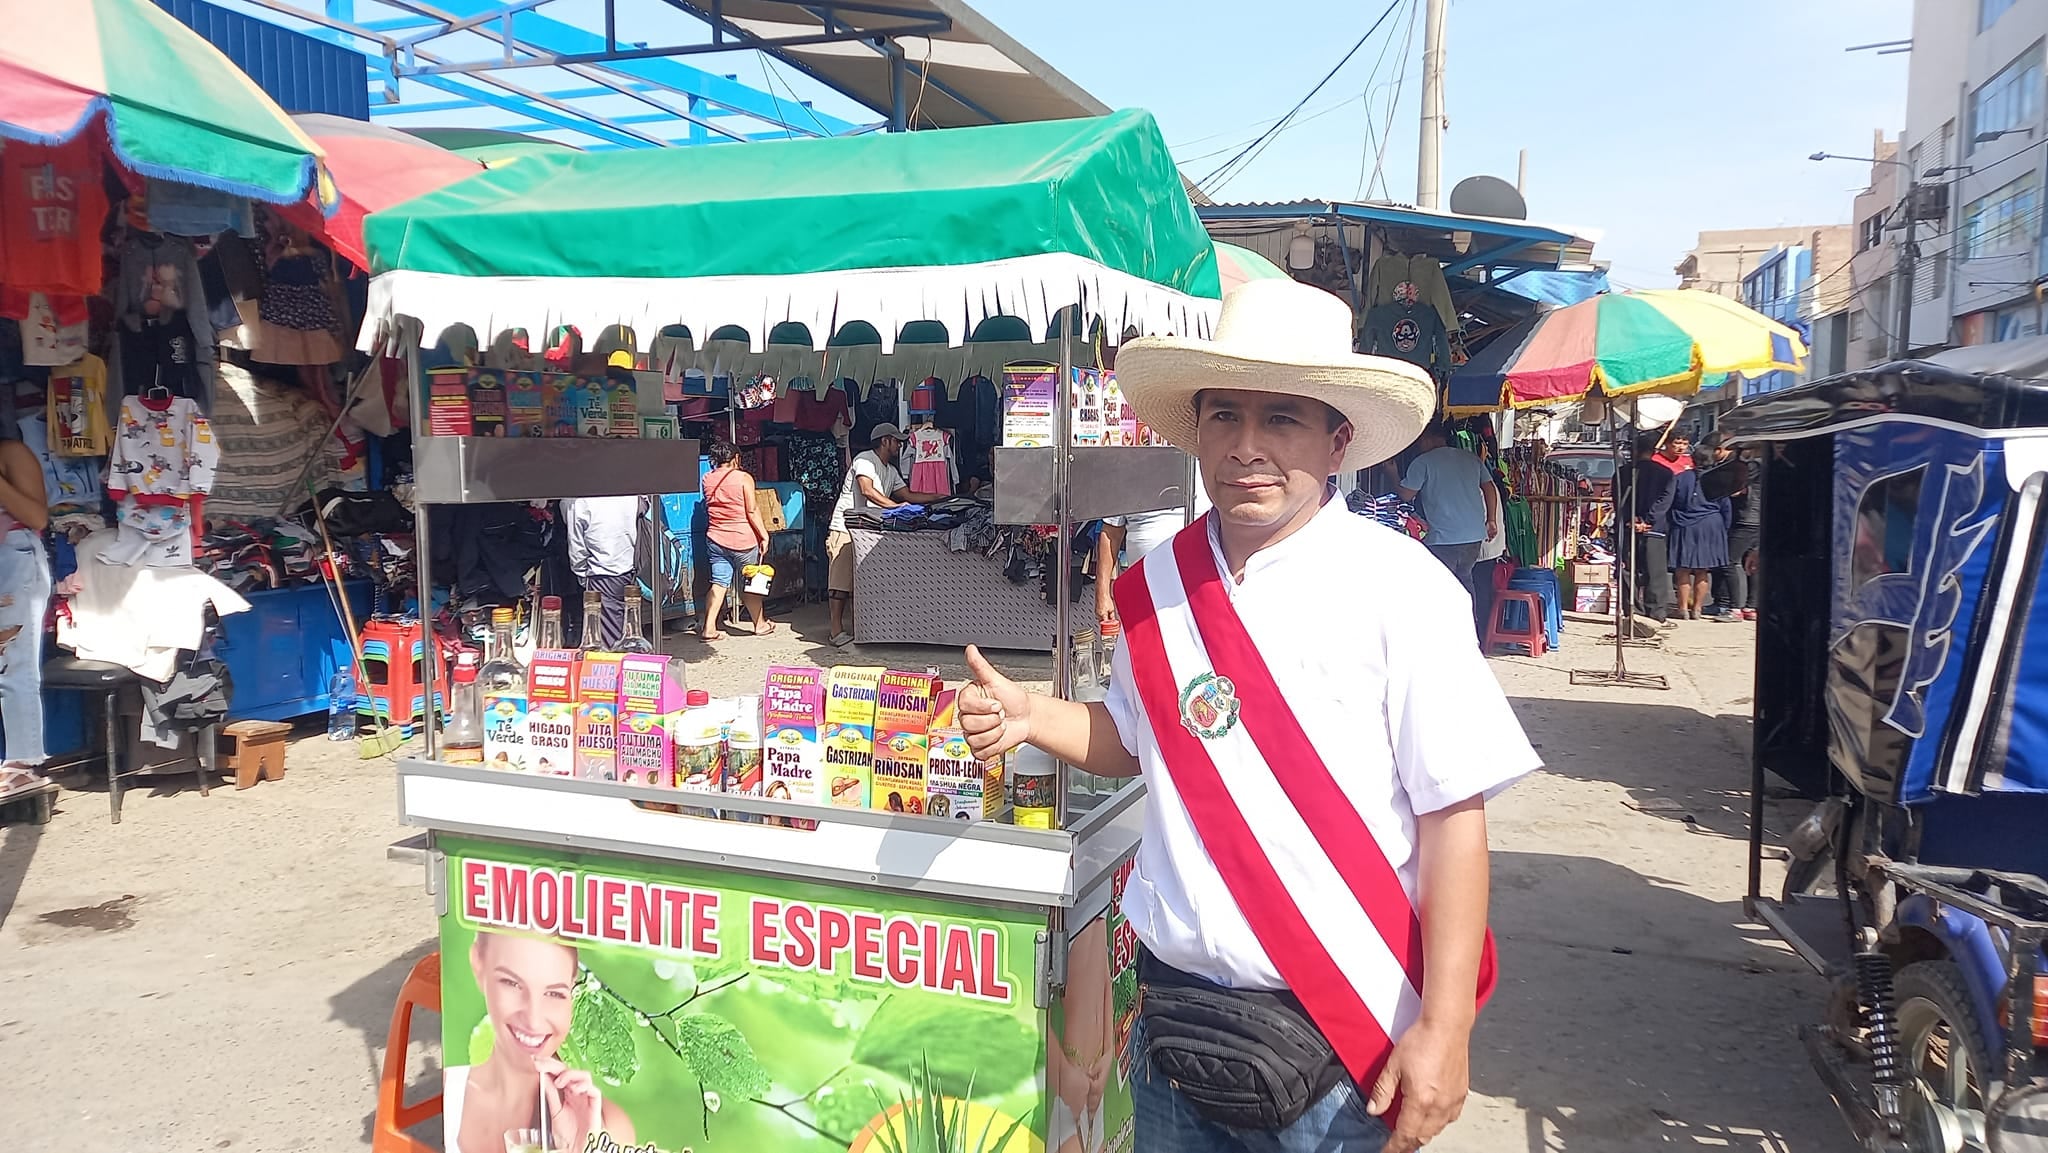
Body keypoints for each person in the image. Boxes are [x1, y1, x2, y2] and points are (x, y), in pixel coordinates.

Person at [957, 280, 1539, 1153]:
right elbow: (1140, 741)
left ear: (1338, 441)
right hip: (1175, 1025)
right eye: (1223, 416)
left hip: (1343, 1037)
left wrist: (1445, 1029)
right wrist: (1034, 714)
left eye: (1283, 420)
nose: (1247, 447)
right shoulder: (1157, 586)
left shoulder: (1403, 588)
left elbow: (1454, 814)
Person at [450, 931, 635, 1153]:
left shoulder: (605, 1128)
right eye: (512, 983)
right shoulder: (450, 1090)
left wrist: (579, 1149)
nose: (534, 1021)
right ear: (478, 964)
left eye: (555, 994)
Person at [825, 423, 945, 646]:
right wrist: (897, 508)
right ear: (884, 441)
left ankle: (859, 630)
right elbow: (867, 490)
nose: (899, 445)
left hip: (867, 530)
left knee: (861, 583)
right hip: (845, 528)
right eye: (896, 441)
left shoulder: (890, 470)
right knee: (840, 584)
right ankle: (835, 630)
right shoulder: (864, 460)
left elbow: (907, 494)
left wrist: (938, 497)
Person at [0, 412, 51, 800]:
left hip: (12, 563)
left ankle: (25, 764)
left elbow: (36, 516)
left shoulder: (12, 453)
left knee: (11, 663)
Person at [1094, 477, 1212, 629]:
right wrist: (1102, 592)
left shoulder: (1205, 468)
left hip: (1198, 591)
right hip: (1144, 591)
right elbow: (1111, 533)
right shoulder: (1128, 471)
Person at [1398, 422, 1499, 599]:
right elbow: (1489, 487)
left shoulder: (1423, 462)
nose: (1418, 445)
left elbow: (1406, 495)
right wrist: (1491, 519)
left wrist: (1391, 473)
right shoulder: (1470, 458)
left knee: (1440, 587)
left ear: (1428, 439)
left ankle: (1445, 625)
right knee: (1465, 580)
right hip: (1474, 537)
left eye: (1419, 440)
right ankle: (1470, 623)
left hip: (1443, 539)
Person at [698, 441, 774, 641]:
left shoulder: (707, 478)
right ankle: (760, 624)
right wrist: (764, 534)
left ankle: (709, 628)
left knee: (719, 583)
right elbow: (751, 510)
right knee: (750, 583)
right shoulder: (743, 478)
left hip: (715, 538)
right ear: (736, 458)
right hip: (743, 539)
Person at [1665, 440, 1730, 621]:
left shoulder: (1680, 478)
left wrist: (1672, 522)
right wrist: (1723, 528)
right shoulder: (1719, 479)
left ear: (1693, 459)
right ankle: (1698, 610)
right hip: (1711, 526)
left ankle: (1683, 609)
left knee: (1682, 569)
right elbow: (1726, 507)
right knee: (1703, 570)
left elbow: (1671, 502)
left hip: (1685, 525)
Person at [564, 495, 639, 649]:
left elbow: (576, 545)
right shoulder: (629, 491)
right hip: (630, 567)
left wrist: (582, 574)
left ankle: (614, 671)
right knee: (628, 628)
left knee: (607, 639)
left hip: (602, 572)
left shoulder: (578, 500)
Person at [1626, 434, 1677, 626]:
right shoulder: (1666, 473)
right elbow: (1666, 500)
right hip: (1655, 528)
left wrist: (1632, 519)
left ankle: (1632, 610)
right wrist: (1650, 520)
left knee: (1629, 571)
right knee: (1655, 573)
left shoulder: (1623, 472)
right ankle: (1656, 612)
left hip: (1630, 527)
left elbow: (1617, 497)